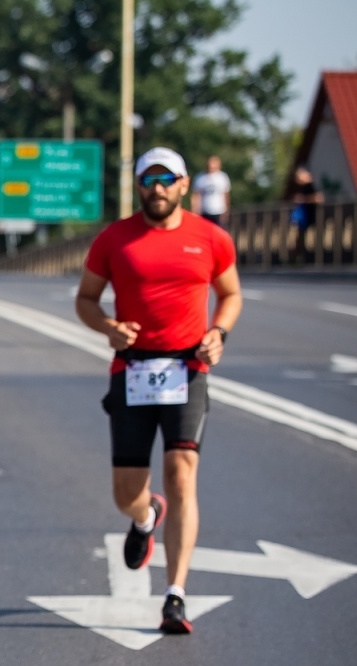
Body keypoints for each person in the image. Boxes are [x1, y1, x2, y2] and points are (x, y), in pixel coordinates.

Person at [74, 147, 242, 635]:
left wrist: (219, 334)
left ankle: (175, 594)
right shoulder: (114, 238)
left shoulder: (210, 238)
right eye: (149, 179)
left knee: (182, 473)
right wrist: (107, 327)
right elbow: (85, 299)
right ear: (139, 186)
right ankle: (145, 517)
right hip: (133, 370)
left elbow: (230, 293)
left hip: (187, 369)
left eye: (167, 179)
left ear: (184, 185)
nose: (158, 187)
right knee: (126, 492)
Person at [287, 166, 322, 264]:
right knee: (298, 237)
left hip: (309, 216)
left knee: (306, 238)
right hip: (303, 217)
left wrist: (303, 199)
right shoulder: (301, 187)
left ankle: (302, 258)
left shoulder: (310, 186)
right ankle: (297, 257)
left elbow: (318, 198)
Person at [191, 155, 231, 229]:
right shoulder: (200, 178)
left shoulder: (222, 177)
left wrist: (226, 210)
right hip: (204, 211)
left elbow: (225, 194)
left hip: (218, 210)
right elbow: (196, 195)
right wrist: (195, 210)